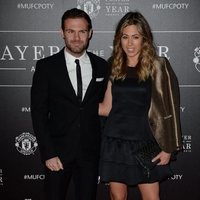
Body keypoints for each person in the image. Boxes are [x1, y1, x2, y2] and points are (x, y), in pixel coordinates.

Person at [99, 11, 182, 200]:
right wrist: (74, 105)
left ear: (144, 38)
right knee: (117, 197)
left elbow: (172, 109)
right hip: (115, 141)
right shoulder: (112, 64)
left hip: (145, 142)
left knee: (151, 198)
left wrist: (169, 148)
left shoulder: (158, 65)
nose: (129, 43)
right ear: (118, 39)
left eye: (135, 37)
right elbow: (107, 107)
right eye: (125, 37)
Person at [31, 8, 108, 200]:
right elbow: (38, 113)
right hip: (57, 154)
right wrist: (48, 153)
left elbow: (104, 108)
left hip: (90, 155)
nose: (76, 37)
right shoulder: (46, 67)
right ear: (62, 32)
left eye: (82, 31)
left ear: (90, 33)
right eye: (70, 31)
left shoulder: (102, 65)